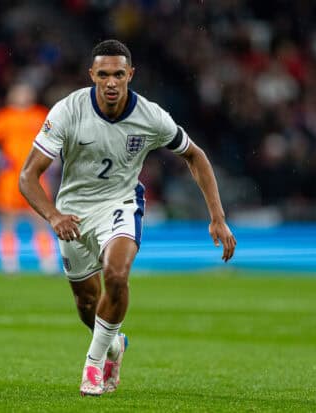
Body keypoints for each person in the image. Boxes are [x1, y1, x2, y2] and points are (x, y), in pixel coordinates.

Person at [19, 40, 236, 396]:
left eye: (119, 74)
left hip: (120, 204)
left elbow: (195, 156)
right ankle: (114, 345)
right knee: (86, 302)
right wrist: (53, 215)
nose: (111, 82)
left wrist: (217, 216)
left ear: (130, 75)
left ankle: (93, 365)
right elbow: (27, 176)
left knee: (116, 274)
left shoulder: (151, 116)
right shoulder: (67, 111)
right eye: (103, 74)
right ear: (92, 75)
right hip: (73, 210)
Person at [0, 83, 58, 274]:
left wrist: (52, 162)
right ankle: (9, 263)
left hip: (36, 177)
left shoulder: (40, 115)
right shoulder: (4, 117)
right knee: (8, 222)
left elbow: (57, 139)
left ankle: (48, 262)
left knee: (42, 220)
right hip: (10, 178)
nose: (22, 96)